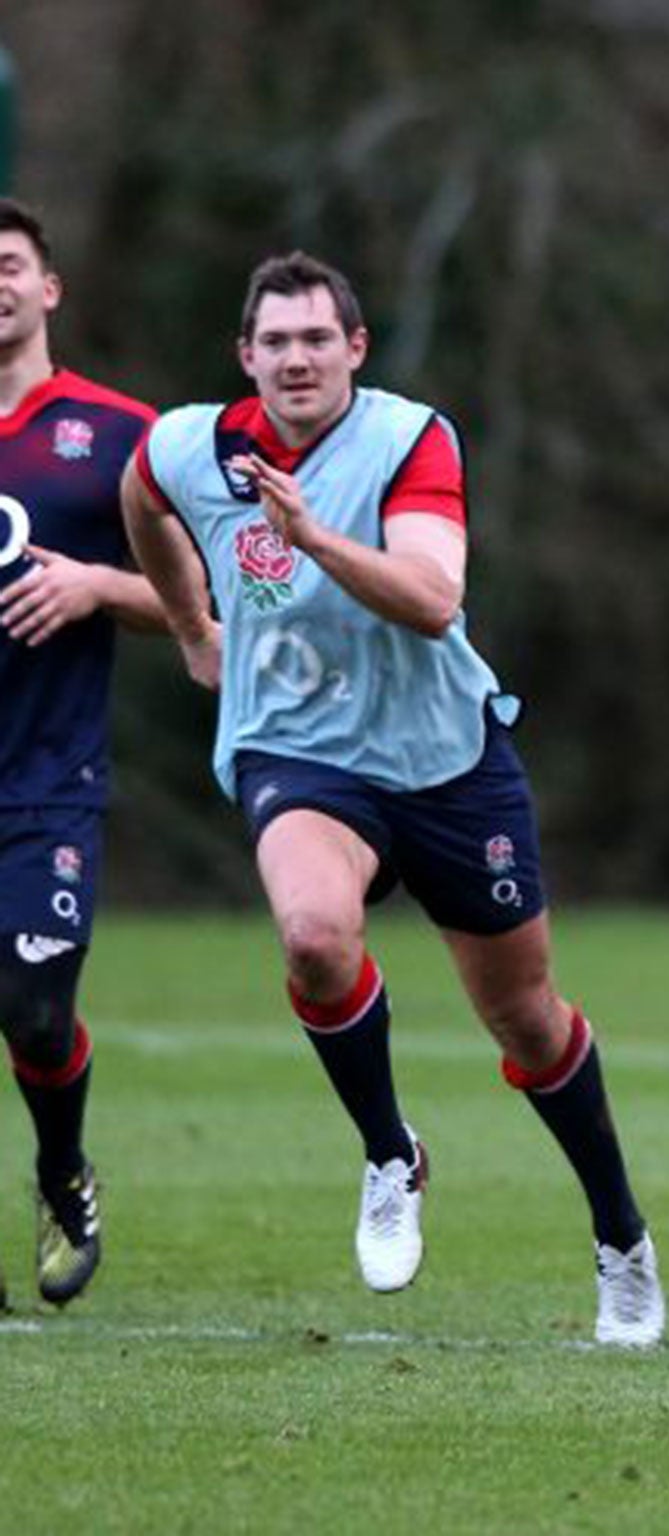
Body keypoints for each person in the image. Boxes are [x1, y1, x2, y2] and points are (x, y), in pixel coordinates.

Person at [119, 251, 664, 1346]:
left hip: (445, 761)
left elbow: (432, 597)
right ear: (246, 357)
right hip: (298, 753)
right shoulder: (193, 443)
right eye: (274, 342)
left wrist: (316, 536)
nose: (295, 359)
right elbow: (140, 496)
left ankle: (621, 1239)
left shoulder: (411, 438)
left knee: (526, 1019)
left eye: (316, 338)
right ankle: (388, 1154)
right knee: (315, 939)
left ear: (355, 350)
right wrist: (189, 628)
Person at [0, 198, 162, 1309]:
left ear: (48, 288)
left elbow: (203, 600)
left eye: (6, 265)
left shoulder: (117, 436)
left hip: (47, 781)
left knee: (35, 1010)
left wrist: (100, 584)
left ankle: (63, 1170)